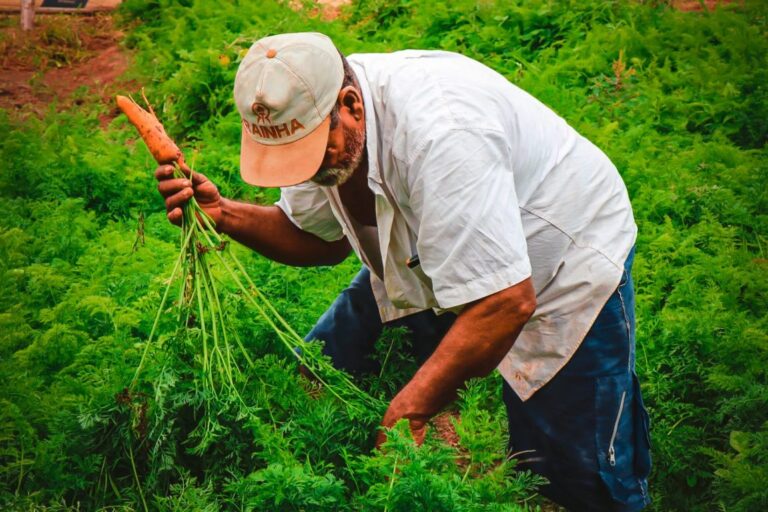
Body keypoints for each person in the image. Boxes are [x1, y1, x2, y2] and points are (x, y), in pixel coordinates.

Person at [156, 32, 652, 511]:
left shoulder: (446, 134)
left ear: (350, 105)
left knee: (571, 467)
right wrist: (225, 214)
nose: (305, 171)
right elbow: (319, 240)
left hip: (560, 258)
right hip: (429, 248)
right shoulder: (311, 119)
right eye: (290, 160)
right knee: (327, 365)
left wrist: (410, 408)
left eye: (311, 153)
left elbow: (506, 302)